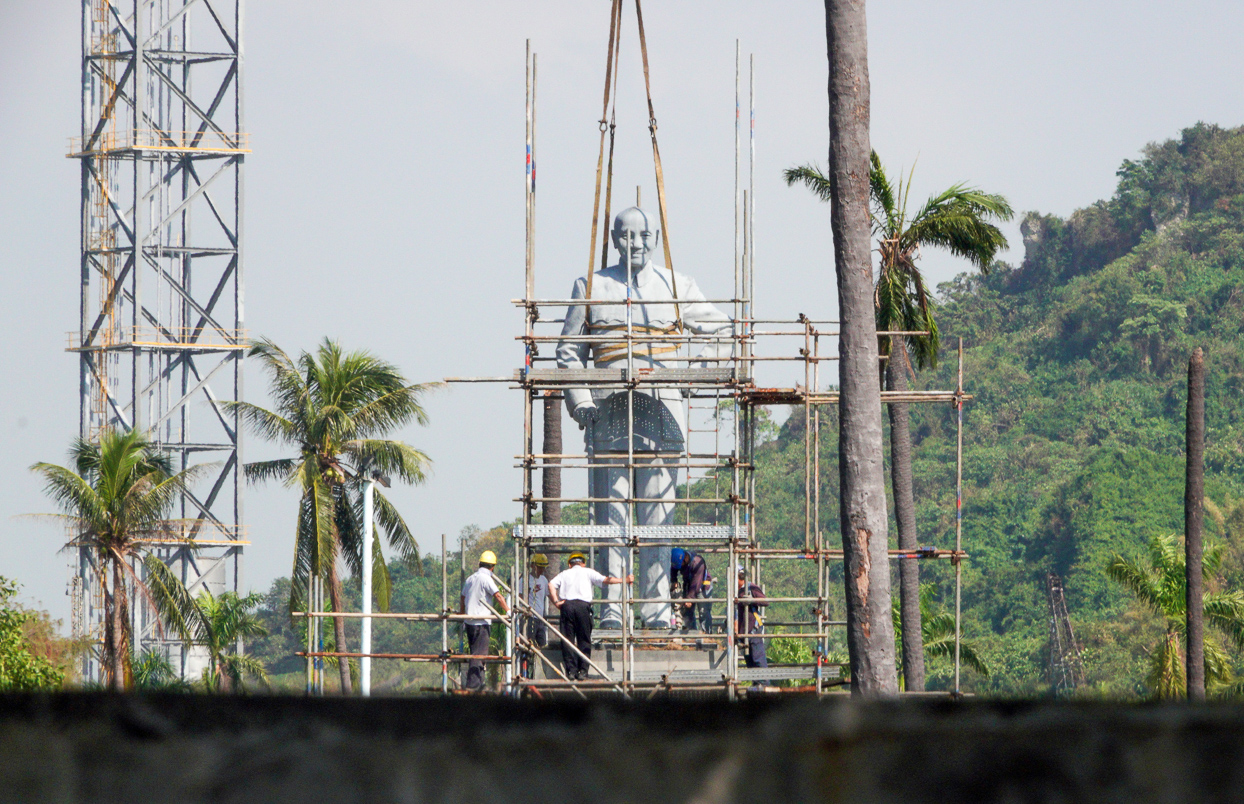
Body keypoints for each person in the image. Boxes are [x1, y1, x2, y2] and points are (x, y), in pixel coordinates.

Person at [557, 207, 732, 630]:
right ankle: (614, 609)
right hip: (608, 414)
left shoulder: (677, 285)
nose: (634, 243)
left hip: (661, 416)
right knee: (609, 524)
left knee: (658, 523)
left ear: (653, 238)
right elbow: (568, 352)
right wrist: (580, 401)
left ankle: (654, 610)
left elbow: (723, 330)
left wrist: (690, 377)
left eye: (641, 236)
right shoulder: (591, 285)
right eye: (625, 236)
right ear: (614, 240)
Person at [547, 552, 633, 681]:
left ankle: (571, 671)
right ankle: (583, 671)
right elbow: (606, 580)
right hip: (583, 607)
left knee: (567, 640)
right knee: (584, 640)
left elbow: (551, 584)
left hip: (567, 606)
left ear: (570, 564)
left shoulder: (564, 573)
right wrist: (624, 580)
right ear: (583, 563)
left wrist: (556, 602)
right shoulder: (588, 572)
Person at [459, 550, 508, 691]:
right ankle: (473, 685)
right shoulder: (486, 579)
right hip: (481, 623)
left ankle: (478, 683)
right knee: (479, 655)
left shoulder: (470, 579)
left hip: (469, 622)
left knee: (476, 653)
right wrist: (509, 612)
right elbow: (498, 596)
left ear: (480, 563)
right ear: (492, 567)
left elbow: (462, 598)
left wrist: (462, 613)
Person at [735, 564, 770, 687]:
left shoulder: (751, 587)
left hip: (753, 629)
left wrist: (752, 600)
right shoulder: (737, 591)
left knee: (758, 658)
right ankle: (756, 684)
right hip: (743, 630)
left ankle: (764, 684)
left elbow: (765, 601)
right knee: (749, 659)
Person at [670, 547, 714, 632]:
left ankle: (707, 635)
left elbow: (696, 582)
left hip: (703, 585)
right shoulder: (680, 560)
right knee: (687, 612)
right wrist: (674, 580)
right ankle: (691, 633)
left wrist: (690, 598)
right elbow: (673, 569)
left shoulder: (697, 562)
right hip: (689, 584)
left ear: (685, 558)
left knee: (703, 612)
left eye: (681, 565)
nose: (680, 567)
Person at [521, 553, 550, 679]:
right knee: (528, 647)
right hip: (529, 619)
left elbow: (548, 596)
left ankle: (540, 675)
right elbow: (520, 597)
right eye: (539, 567)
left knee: (541, 646)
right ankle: (526, 675)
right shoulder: (525, 580)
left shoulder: (543, 580)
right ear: (533, 566)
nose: (542, 570)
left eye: (543, 567)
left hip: (540, 619)